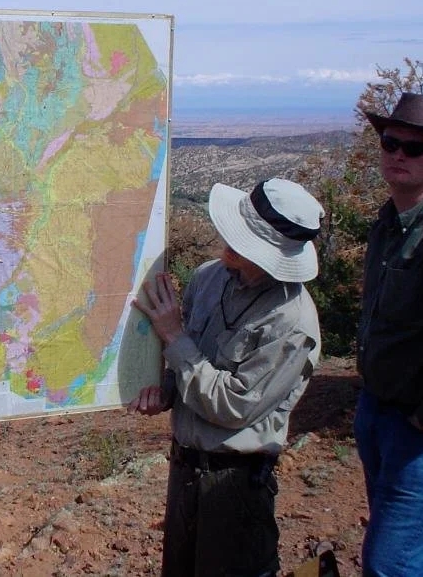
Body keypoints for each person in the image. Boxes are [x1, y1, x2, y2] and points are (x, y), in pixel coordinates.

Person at [131, 178, 325, 577]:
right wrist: (163, 391)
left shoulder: (291, 321)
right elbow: (190, 363)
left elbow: (234, 406)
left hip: (234, 482)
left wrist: (172, 334)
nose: (228, 242)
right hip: (185, 468)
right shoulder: (209, 277)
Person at [354, 92, 423, 576]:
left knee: (391, 564)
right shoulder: (390, 221)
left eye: (414, 148)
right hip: (379, 409)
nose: (398, 154)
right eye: (391, 142)